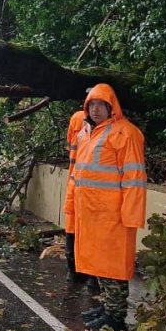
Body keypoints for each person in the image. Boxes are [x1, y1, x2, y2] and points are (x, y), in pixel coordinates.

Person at [63, 84, 146, 331]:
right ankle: (107, 308)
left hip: (113, 216)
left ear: (112, 108)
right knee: (100, 265)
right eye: (92, 105)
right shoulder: (88, 134)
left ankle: (116, 317)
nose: (96, 110)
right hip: (91, 214)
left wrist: (130, 216)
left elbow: (134, 180)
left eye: (101, 105)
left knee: (114, 267)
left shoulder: (126, 134)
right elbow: (77, 175)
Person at [63, 107, 91, 284]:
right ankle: (89, 277)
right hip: (81, 188)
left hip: (78, 186)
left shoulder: (76, 119)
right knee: (79, 233)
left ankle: (74, 273)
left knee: (73, 232)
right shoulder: (109, 130)